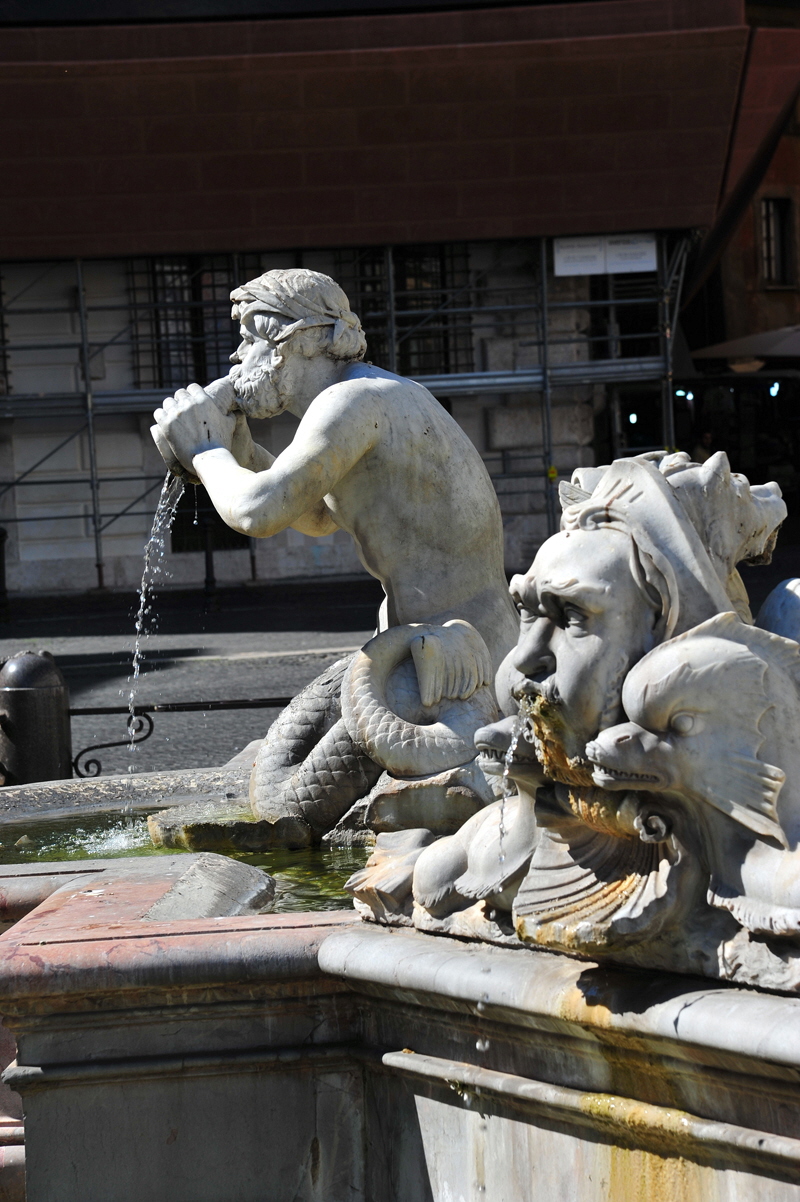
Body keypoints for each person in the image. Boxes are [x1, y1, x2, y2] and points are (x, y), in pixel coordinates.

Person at [152, 266, 519, 695]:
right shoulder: (372, 391)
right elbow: (320, 516)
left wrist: (205, 449)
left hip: (460, 653)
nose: (237, 356)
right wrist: (242, 452)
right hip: (437, 640)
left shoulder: (353, 401)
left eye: (251, 339)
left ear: (302, 341)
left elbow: (257, 513)